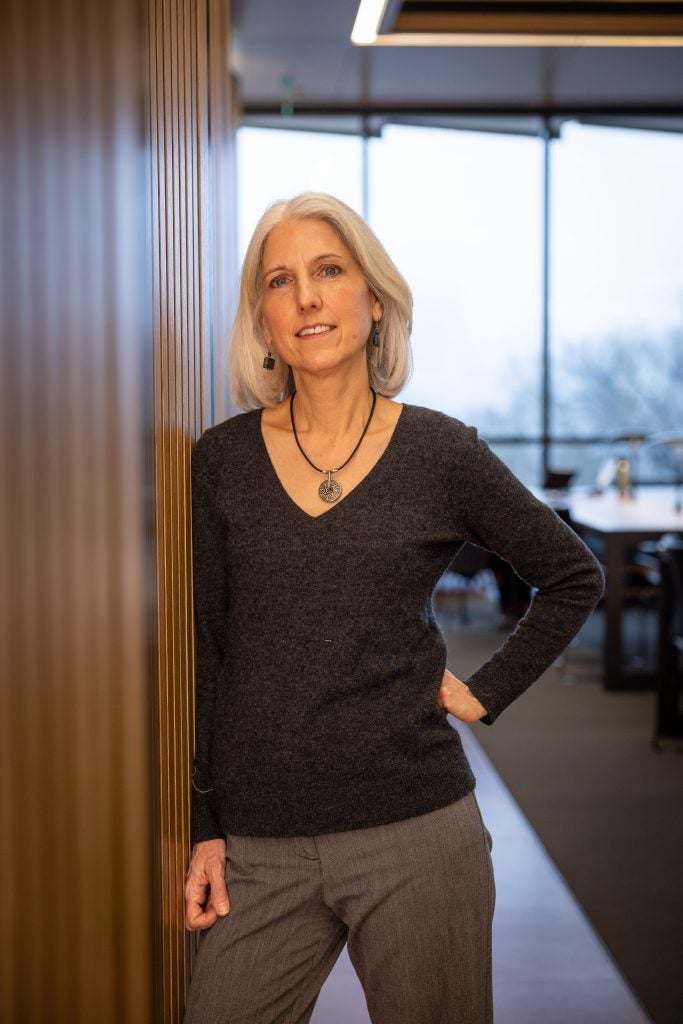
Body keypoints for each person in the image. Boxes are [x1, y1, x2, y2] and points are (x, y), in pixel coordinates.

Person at [183, 192, 604, 1024]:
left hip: (414, 832)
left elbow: (571, 574)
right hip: (261, 845)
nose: (305, 297)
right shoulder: (221, 460)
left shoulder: (439, 451)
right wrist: (203, 826)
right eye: (279, 280)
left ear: (373, 302)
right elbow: (207, 650)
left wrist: (485, 690)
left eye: (328, 272)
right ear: (263, 321)